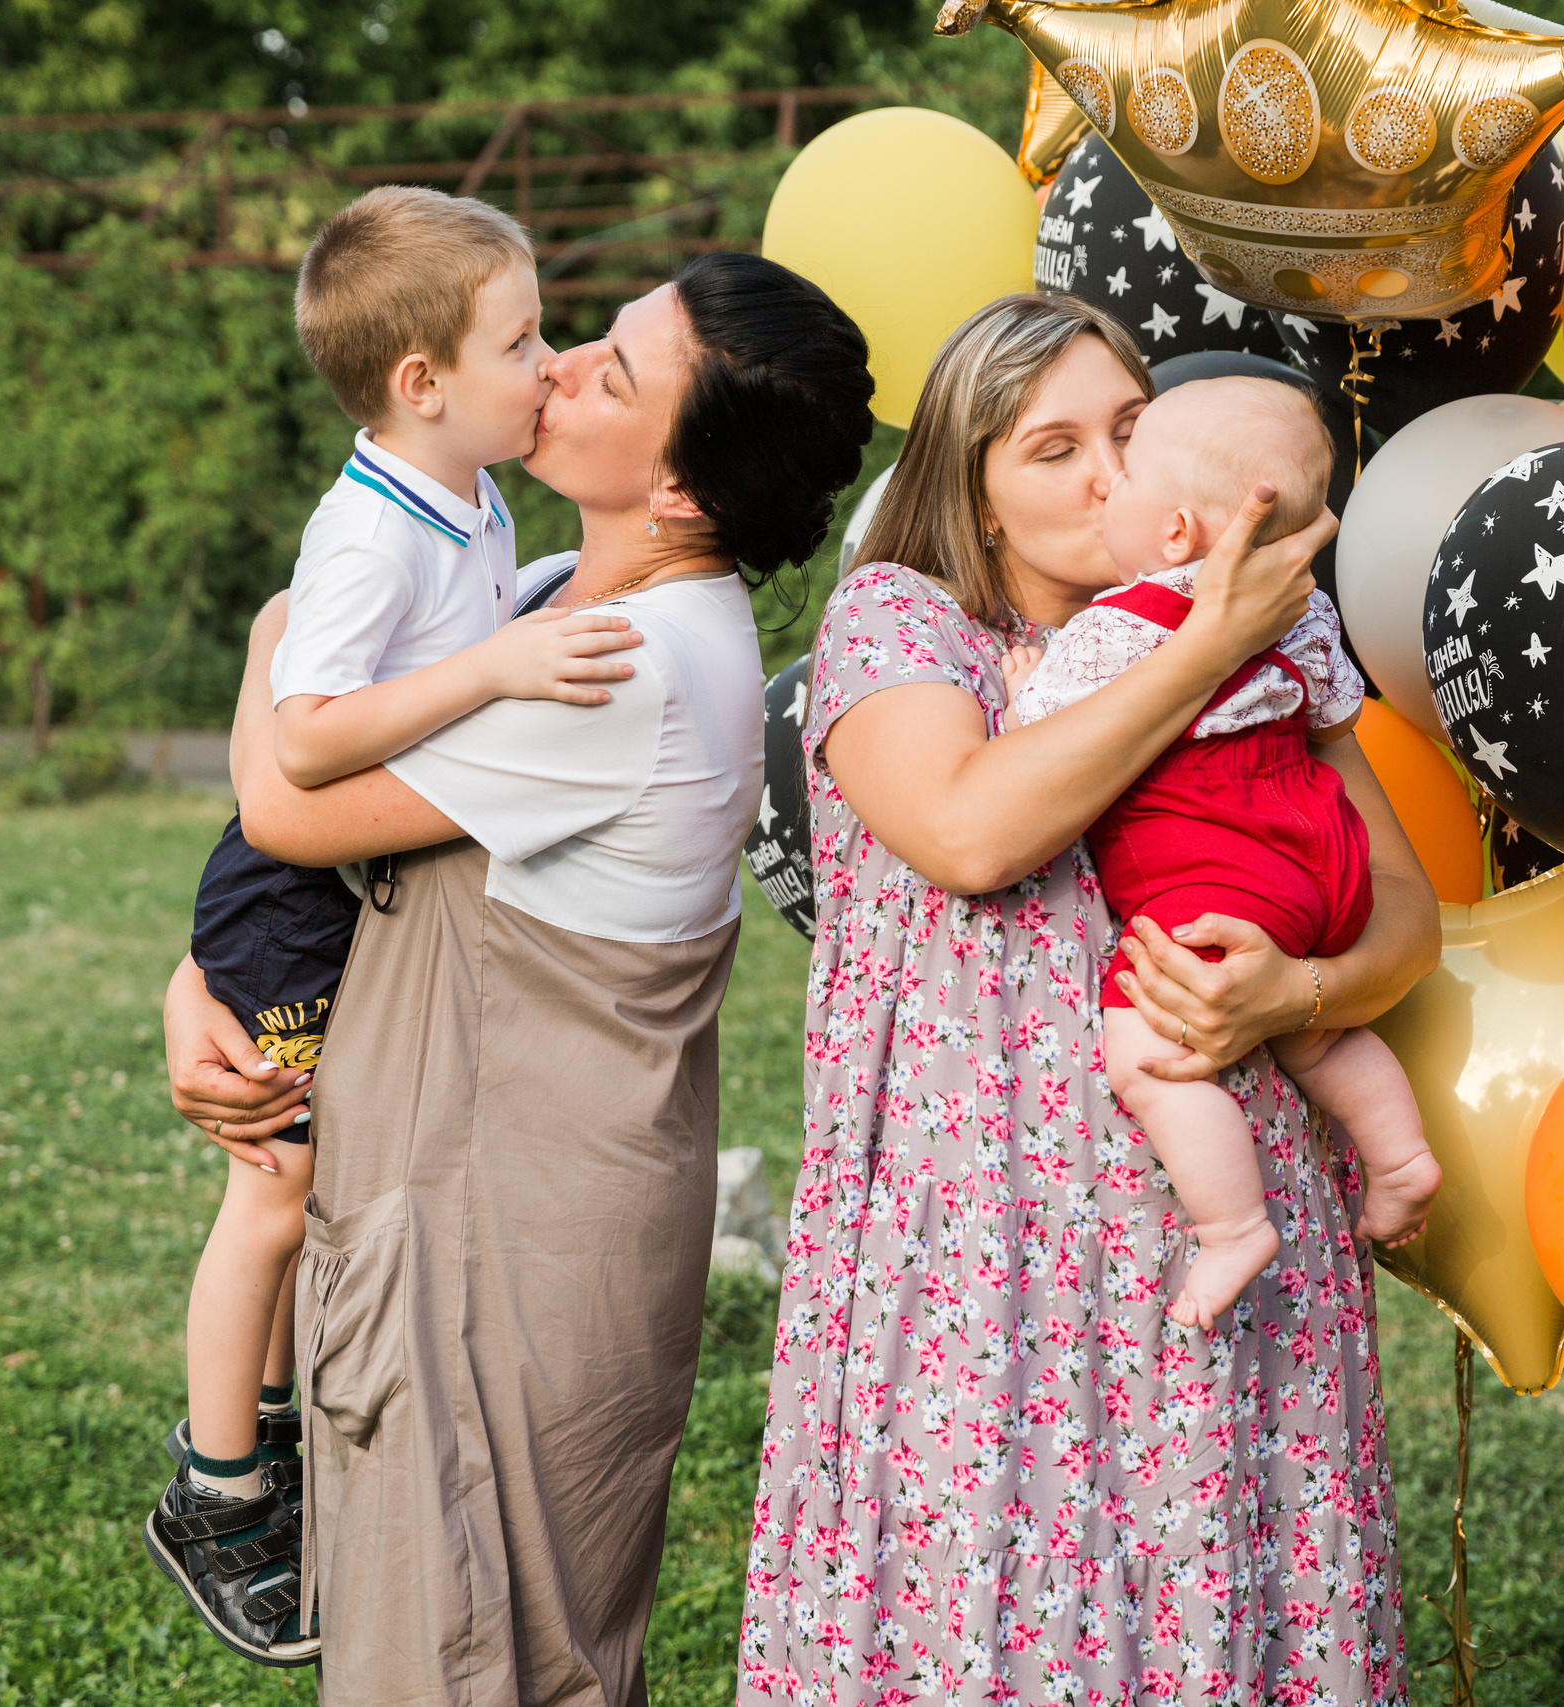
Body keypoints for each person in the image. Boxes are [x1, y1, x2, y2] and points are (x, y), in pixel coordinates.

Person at [164, 251, 875, 1703]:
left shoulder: (625, 663)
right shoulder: (549, 590)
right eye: (581, 337)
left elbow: (293, 803)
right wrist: (204, 978)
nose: (552, 370)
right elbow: (340, 855)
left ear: (681, 489)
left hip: (506, 1251)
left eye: (609, 372)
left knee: (472, 1650)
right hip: (460, 1204)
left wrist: (273, 632)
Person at [737, 295, 1441, 1707]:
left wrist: (1291, 992)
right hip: (980, 1250)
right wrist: (1196, 643)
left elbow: (1410, 918)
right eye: (1052, 447)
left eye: (1129, 429)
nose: (1110, 473)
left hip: (1218, 1233)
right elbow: (972, 831)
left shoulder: (1265, 647)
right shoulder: (904, 620)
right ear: (976, 492)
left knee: (1222, 1595)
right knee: (979, 1603)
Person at [149, 185, 650, 1669]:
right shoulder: (370, 530)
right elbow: (302, 741)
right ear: (421, 383)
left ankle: (288, 1436)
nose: (551, 363)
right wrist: (498, 668)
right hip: (292, 894)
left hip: (344, 883)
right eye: (526, 339)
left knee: (334, 1170)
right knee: (280, 1178)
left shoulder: (470, 490)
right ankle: (219, 1482)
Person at [1000, 375, 1440, 1332]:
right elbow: (1328, 711)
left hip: (1214, 868)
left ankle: (1233, 1224)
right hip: (1321, 856)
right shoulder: (1304, 614)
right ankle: (1400, 1155)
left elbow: (1036, 739)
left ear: (1173, 537)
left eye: (1126, 465)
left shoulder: (1114, 629)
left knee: (1151, 1050)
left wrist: (1034, 682)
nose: (1106, 482)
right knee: (1315, 1029)